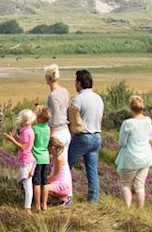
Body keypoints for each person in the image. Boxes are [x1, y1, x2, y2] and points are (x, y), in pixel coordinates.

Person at [68, 69, 104, 202]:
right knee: (92, 170)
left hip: (83, 137)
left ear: (79, 83)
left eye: (75, 81)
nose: (74, 84)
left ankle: (66, 197)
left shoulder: (78, 99)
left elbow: (73, 121)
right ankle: (93, 199)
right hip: (97, 136)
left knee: (65, 166)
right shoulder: (98, 98)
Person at [116, 95, 152, 208]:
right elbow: (151, 136)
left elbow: (122, 142)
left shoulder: (128, 123)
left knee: (126, 184)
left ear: (130, 107)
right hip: (146, 158)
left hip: (131, 158)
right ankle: (140, 210)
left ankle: (127, 210)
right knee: (140, 186)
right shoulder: (148, 120)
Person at [3, 109, 36, 212]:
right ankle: (27, 206)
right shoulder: (28, 130)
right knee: (27, 184)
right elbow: (22, 143)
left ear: (25, 119)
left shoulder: (26, 132)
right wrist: (14, 137)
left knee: (27, 185)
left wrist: (11, 139)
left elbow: (22, 147)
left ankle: (27, 208)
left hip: (26, 161)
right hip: (28, 160)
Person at [44, 64, 71, 161]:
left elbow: (55, 117)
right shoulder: (65, 91)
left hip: (58, 133)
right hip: (66, 131)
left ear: (47, 78)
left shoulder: (53, 96)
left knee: (56, 163)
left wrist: (51, 136)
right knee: (64, 163)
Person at [32, 106, 52, 211]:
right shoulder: (48, 128)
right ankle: (44, 204)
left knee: (37, 183)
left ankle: (37, 205)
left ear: (38, 117)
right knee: (45, 182)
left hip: (37, 158)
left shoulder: (34, 129)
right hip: (46, 158)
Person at [47, 137, 73, 206]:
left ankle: (63, 198)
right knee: (42, 186)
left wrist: (45, 179)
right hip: (57, 182)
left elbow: (55, 176)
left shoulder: (59, 159)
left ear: (52, 148)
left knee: (44, 188)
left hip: (63, 185)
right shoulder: (53, 158)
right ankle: (59, 199)